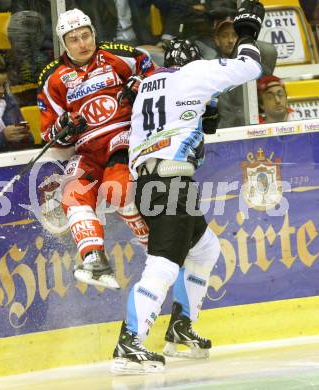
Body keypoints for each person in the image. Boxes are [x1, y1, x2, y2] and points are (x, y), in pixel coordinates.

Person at [111, 0, 265, 374]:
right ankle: (129, 343)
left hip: (151, 181)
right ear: (194, 61)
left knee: (205, 248)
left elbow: (194, 120)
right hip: (170, 180)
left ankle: (181, 328)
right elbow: (251, 66)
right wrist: (247, 31)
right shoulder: (195, 73)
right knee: (163, 264)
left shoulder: (148, 85)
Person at [39, 8, 155, 290]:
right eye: (74, 39)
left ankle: (156, 249)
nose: (83, 44)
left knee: (118, 192)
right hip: (88, 150)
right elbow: (49, 135)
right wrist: (65, 128)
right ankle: (94, 260)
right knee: (72, 192)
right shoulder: (53, 78)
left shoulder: (121, 56)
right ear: (64, 44)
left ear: (94, 33)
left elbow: (157, 74)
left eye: (86, 35)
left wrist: (141, 83)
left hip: (124, 138)